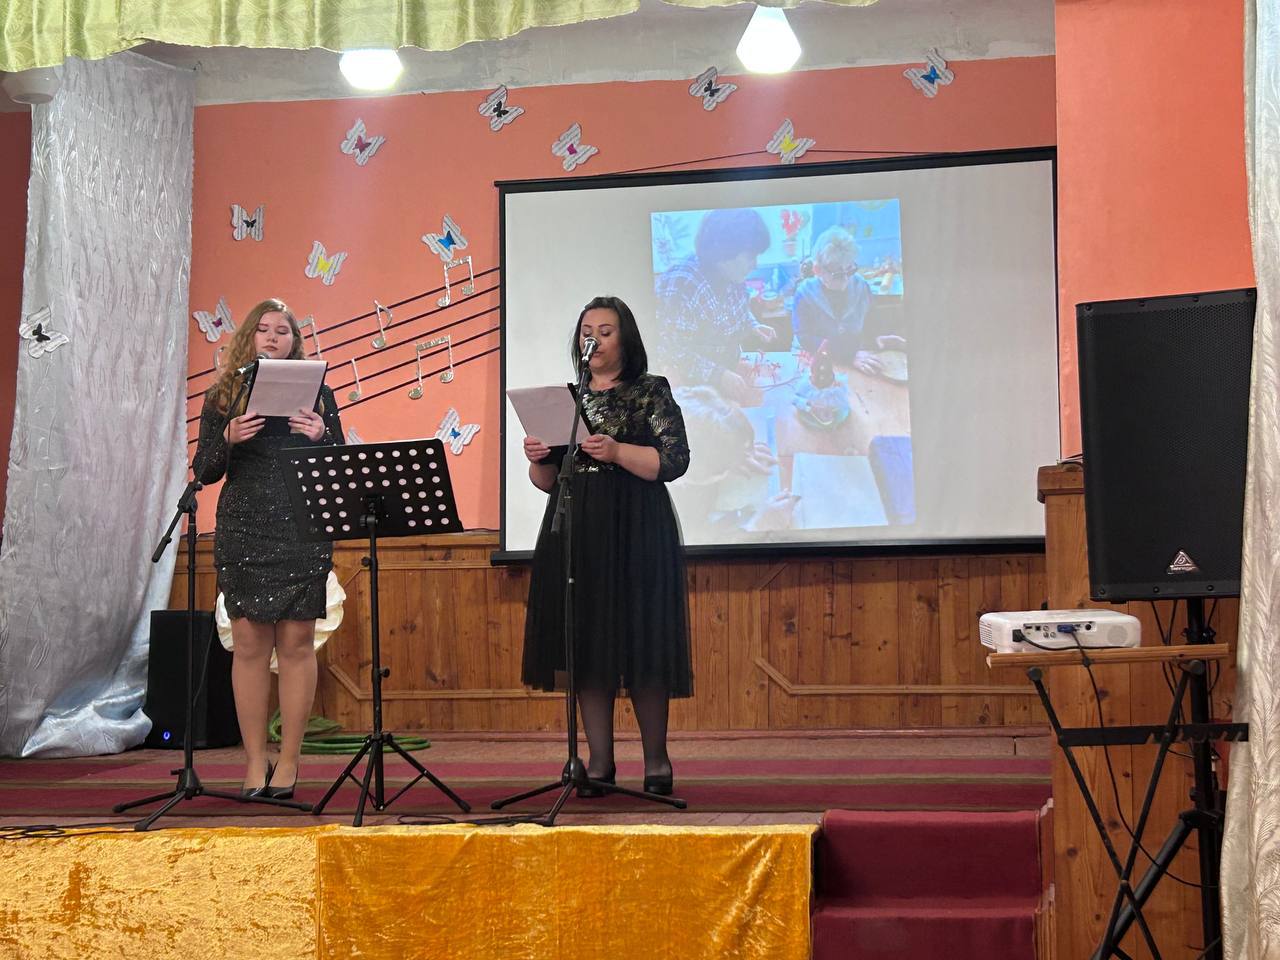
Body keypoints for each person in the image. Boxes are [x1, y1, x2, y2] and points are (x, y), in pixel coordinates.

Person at [521, 295, 691, 796]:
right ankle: (598, 762)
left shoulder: (650, 391)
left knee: (643, 645)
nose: (592, 340)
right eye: (586, 331)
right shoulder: (569, 400)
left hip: (637, 528)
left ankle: (656, 761)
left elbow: (674, 461)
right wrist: (538, 458)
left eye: (605, 331)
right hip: (578, 531)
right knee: (586, 647)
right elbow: (548, 482)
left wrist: (616, 451)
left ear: (625, 339)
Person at [194, 298, 344, 799]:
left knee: (297, 644)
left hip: (302, 527)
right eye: (264, 329)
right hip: (244, 529)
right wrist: (228, 437)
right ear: (249, 337)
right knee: (250, 647)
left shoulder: (318, 394)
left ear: (295, 342)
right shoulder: (224, 395)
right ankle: (255, 762)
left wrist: (321, 435)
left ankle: (290, 762)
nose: (274, 337)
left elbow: (340, 465)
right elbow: (205, 471)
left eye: (284, 330)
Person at [655, 208, 778, 402]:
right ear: (725, 251)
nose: (755, 264)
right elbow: (672, 351)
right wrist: (718, 375)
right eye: (750, 256)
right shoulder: (682, 285)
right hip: (692, 395)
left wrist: (753, 325)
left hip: (727, 377)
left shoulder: (732, 275)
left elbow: (736, 310)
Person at [792, 226, 887, 372]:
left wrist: (877, 338)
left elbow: (871, 320)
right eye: (837, 274)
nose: (846, 279)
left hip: (855, 358)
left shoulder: (861, 286)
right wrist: (848, 356)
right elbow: (806, 338)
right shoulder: (804, 294)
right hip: (814, 358)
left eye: (850, 270)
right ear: (817, 270)